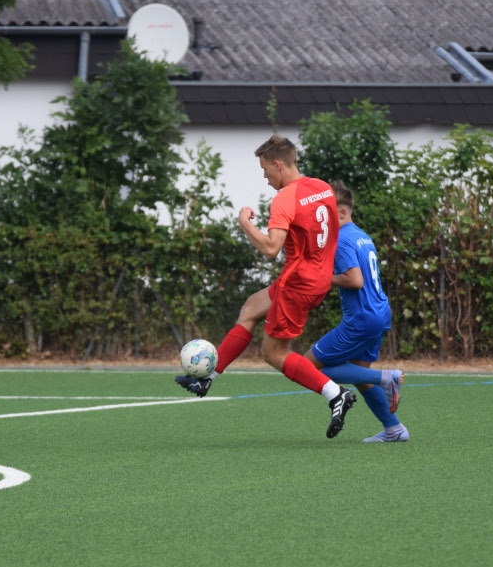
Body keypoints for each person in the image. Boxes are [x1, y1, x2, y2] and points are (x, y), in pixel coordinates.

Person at [175, 135, 357, 439]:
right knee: (250, 308)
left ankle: (335, 394)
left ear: (278, 164)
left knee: (274, 353)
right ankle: (208, 377)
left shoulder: (285, 198)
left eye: (265, 169)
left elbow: (272, 248)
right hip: (318, 279)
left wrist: (245, 223)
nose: (264, 176)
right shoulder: (323, 187)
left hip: (297, 284)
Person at [303, 181, 408, 443]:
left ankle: (387, 378)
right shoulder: (362, 236)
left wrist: (321, 278)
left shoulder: (341, 240)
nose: (321, 220)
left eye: (325, 213)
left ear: (341, 212)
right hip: (379, 313)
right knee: (360, 377)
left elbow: (355, 280)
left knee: (306, 367)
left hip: (361, 319)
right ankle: (394, 429)